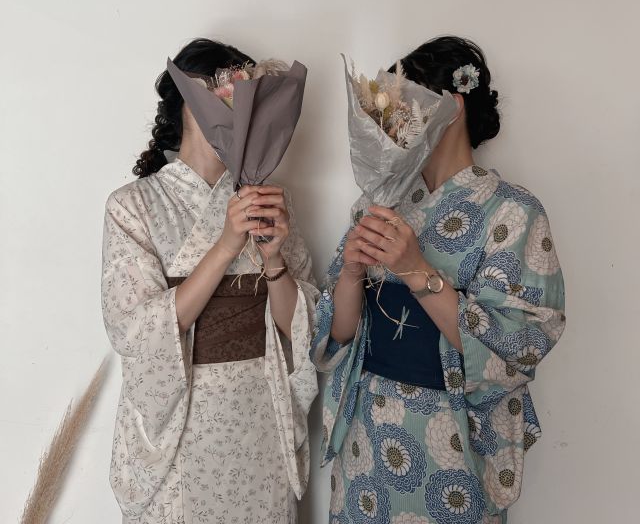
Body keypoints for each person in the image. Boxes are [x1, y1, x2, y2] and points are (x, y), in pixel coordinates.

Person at [312, 36, 565, 523]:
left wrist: (415, 270)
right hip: (366, 432)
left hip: (449, 438)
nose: (397, 122)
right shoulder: (379, 204)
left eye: (409, 103)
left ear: (454, 105)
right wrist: (350, 275)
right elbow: (340, 335)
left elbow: (519, 347)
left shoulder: (513, 212)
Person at [101, 38, 319, 523]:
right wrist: (225, 246)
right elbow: (135, 331)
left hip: (259, 414)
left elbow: (300, 329)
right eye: (225, 95)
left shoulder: (267, 199)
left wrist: (274, 259)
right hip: (184, 422)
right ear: (188, 101)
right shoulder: (132, 206)